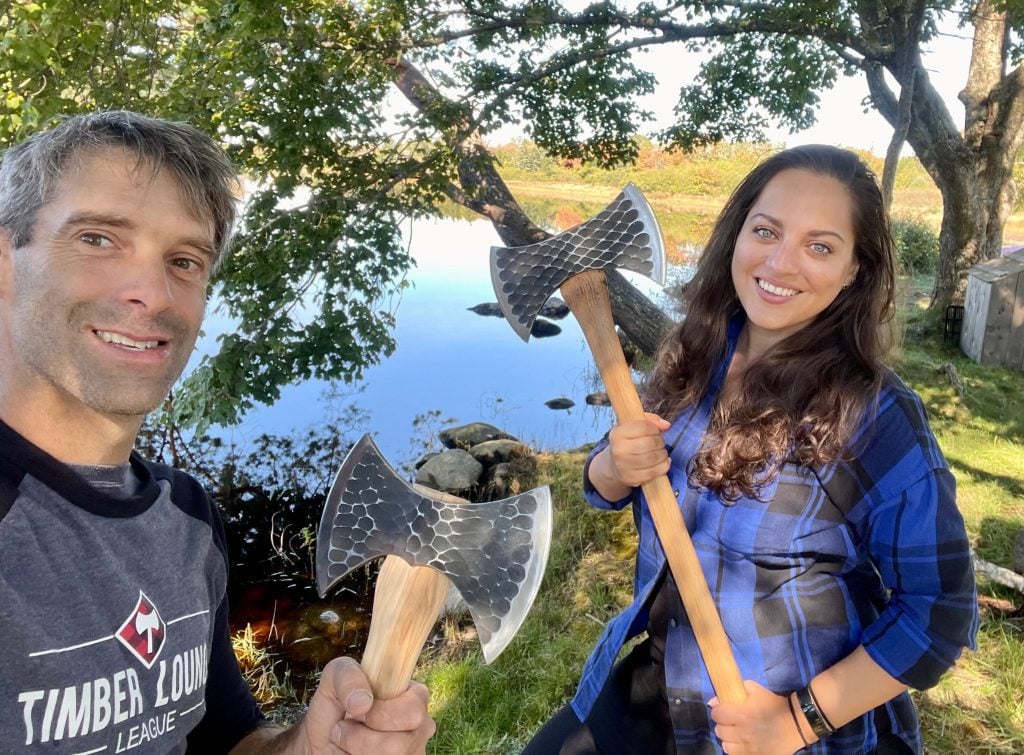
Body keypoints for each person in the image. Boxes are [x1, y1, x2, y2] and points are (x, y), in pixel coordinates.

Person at [0, 111, 435, 753]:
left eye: (184, 260)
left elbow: (223, 742)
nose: (151, 292)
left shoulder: (185, 517)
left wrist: (311, 747)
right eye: (97, 238)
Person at [523, 145, 978, 754]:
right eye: (766, 231)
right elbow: (613, 483)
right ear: (737, 235)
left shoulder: (877, 417)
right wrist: (609, 466)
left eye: (820, 246)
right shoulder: (693, 353)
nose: (782, 262)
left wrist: (797, 720)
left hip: (789, 722)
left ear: (855, 271)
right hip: (664, 681)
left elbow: (940, 612)